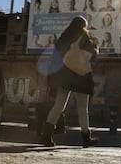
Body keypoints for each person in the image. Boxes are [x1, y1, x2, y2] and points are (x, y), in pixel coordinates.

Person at [41, 15, 99, 148]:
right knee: (82, 108)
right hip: (80, 75)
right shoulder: (83, 37)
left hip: (64, 75)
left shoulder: (63, 37)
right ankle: (86, 138)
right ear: (82, 26)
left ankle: (46, 135)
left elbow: (56, 57)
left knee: (59, 106)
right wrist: (96, 45)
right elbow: (92, 56)